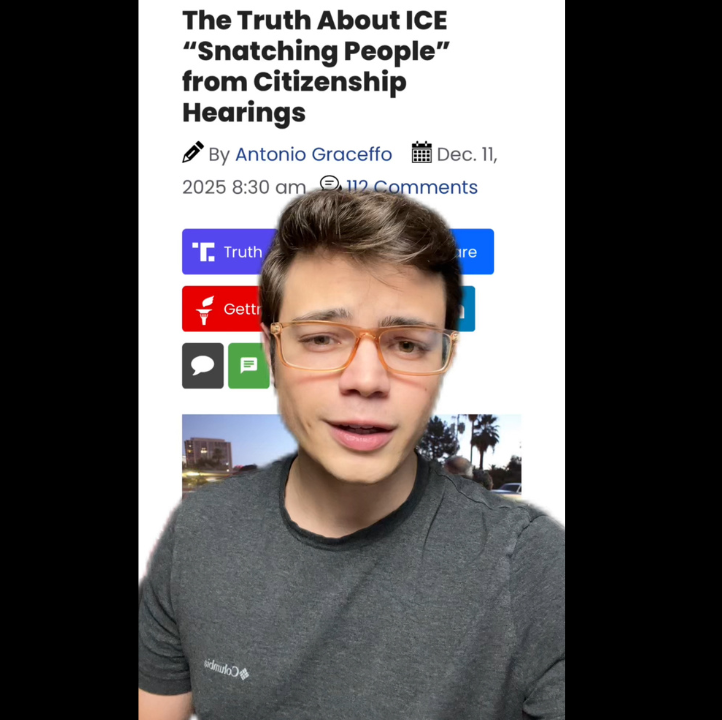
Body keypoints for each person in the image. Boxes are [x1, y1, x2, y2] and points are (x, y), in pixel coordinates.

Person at [138, 189, 564, 719]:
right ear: (272, 355)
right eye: (322, 338)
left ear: (444, 359)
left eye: (407, 343)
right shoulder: (197, 534)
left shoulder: (531, 566)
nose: (367, 379)